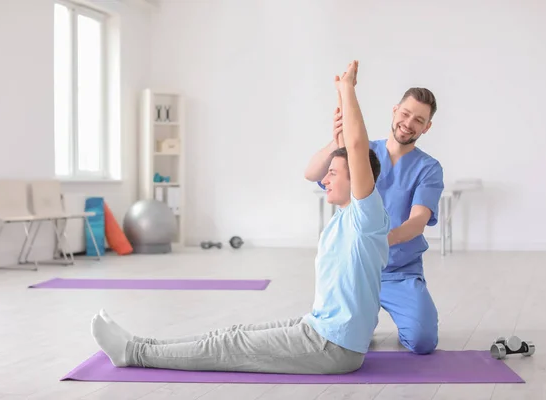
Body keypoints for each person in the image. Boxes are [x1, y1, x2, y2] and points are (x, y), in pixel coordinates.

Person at [91, 60, 391, 374]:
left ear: (357, 180)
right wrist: (340, 113)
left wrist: (347, 89)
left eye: (332, 174)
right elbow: (340, 153)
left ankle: (132, 352)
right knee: (231, 336)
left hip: (332, 346)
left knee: (228, 347)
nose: (325, 179)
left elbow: (356, 149)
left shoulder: (365, 216)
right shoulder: (347, 216)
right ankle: (140, 344)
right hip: (321, 329)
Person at [304, 86, 444, 355]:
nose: (409, 124)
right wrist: (337, 143)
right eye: (406, 114)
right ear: (394, 111)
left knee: (422, 341)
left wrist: (377, 239)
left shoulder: (428, 168)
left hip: (398, 271)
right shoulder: (361, 152)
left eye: (419, 120)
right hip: (354, 270)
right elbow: (312, 173)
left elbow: (417, 222)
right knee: (343, 337)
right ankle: (363, 319)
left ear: (427, 127)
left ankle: (383, 313)